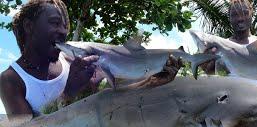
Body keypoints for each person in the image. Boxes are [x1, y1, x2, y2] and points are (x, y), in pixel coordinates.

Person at [0, 0, 182, 120]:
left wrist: (151, 82)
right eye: (55, 23)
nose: (64, 32)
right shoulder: (11, 80)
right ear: (29, 27)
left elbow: (111, 99)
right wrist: (68, 94)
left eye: (65, 26)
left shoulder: (76, 58)